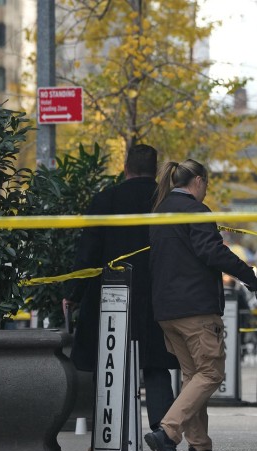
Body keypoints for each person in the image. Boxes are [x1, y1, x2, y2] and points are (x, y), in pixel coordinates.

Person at [143, 159, 257, 451]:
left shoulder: (161, 210)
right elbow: (211, 251)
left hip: (166, 309)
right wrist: (246, 273)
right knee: (210, 373)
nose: (206, 191)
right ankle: (168, 433)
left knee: (192, 377)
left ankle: (201, 450)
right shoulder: (196, 211)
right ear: (197, 180)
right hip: (195, 308)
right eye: (206, 184)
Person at [64, 144, 179, 434]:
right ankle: (162, 434)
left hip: (111, 296)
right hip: (156, 297)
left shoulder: (106, 199)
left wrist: (73, 293)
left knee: (110, 363)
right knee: (156, 368)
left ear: (125, 168)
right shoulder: (165, 201)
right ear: (156, 170)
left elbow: (88, 252)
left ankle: (110, 431)